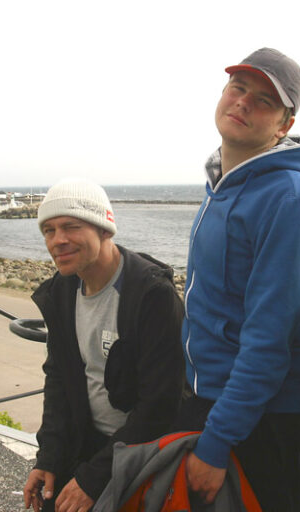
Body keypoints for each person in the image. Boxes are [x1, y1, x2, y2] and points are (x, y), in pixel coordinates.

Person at [175, 48, 300, 511]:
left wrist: (217, 442)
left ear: (284, 125)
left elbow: (270, 338)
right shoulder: (223, 186)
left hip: (263, 421)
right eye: (238, 88)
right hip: (213, 401)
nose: (243, 102)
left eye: (264, 101)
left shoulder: (290, 199)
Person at [22, 179, 185, 512]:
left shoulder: (151, 295)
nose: (57, 240)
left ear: (105, 229)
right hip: (85, 441)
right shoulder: (62, 291)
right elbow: (59, 378)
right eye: (49, 231)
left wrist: (96, 478)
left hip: (141, 452)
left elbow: (161, 406)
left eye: (71, 226)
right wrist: (49, 457)